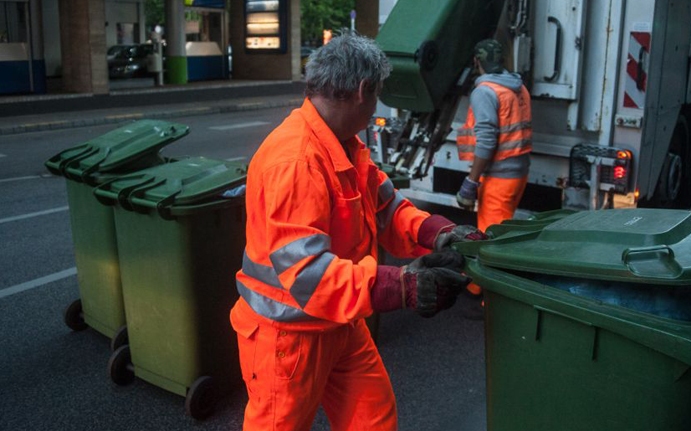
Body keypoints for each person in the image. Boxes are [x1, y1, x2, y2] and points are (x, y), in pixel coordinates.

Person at [229, 30, 479, 431]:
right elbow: (308, 274)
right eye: (377, 94)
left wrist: (439, 231)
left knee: (373, 419)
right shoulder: (296, 161)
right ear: (363, 90)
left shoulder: (343, 146)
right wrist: (401, 286)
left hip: (338, 323)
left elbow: (387, 208)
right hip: (288, 338)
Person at [455, 38, 532, 298]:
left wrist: (471, 181)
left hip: (499, 175)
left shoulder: (486, 91)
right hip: (517, 172)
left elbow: (487, 140)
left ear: (477, 62)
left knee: (490, 239)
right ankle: (478, 285)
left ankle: (492, 297)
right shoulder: (517, 87)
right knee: (500, 231)